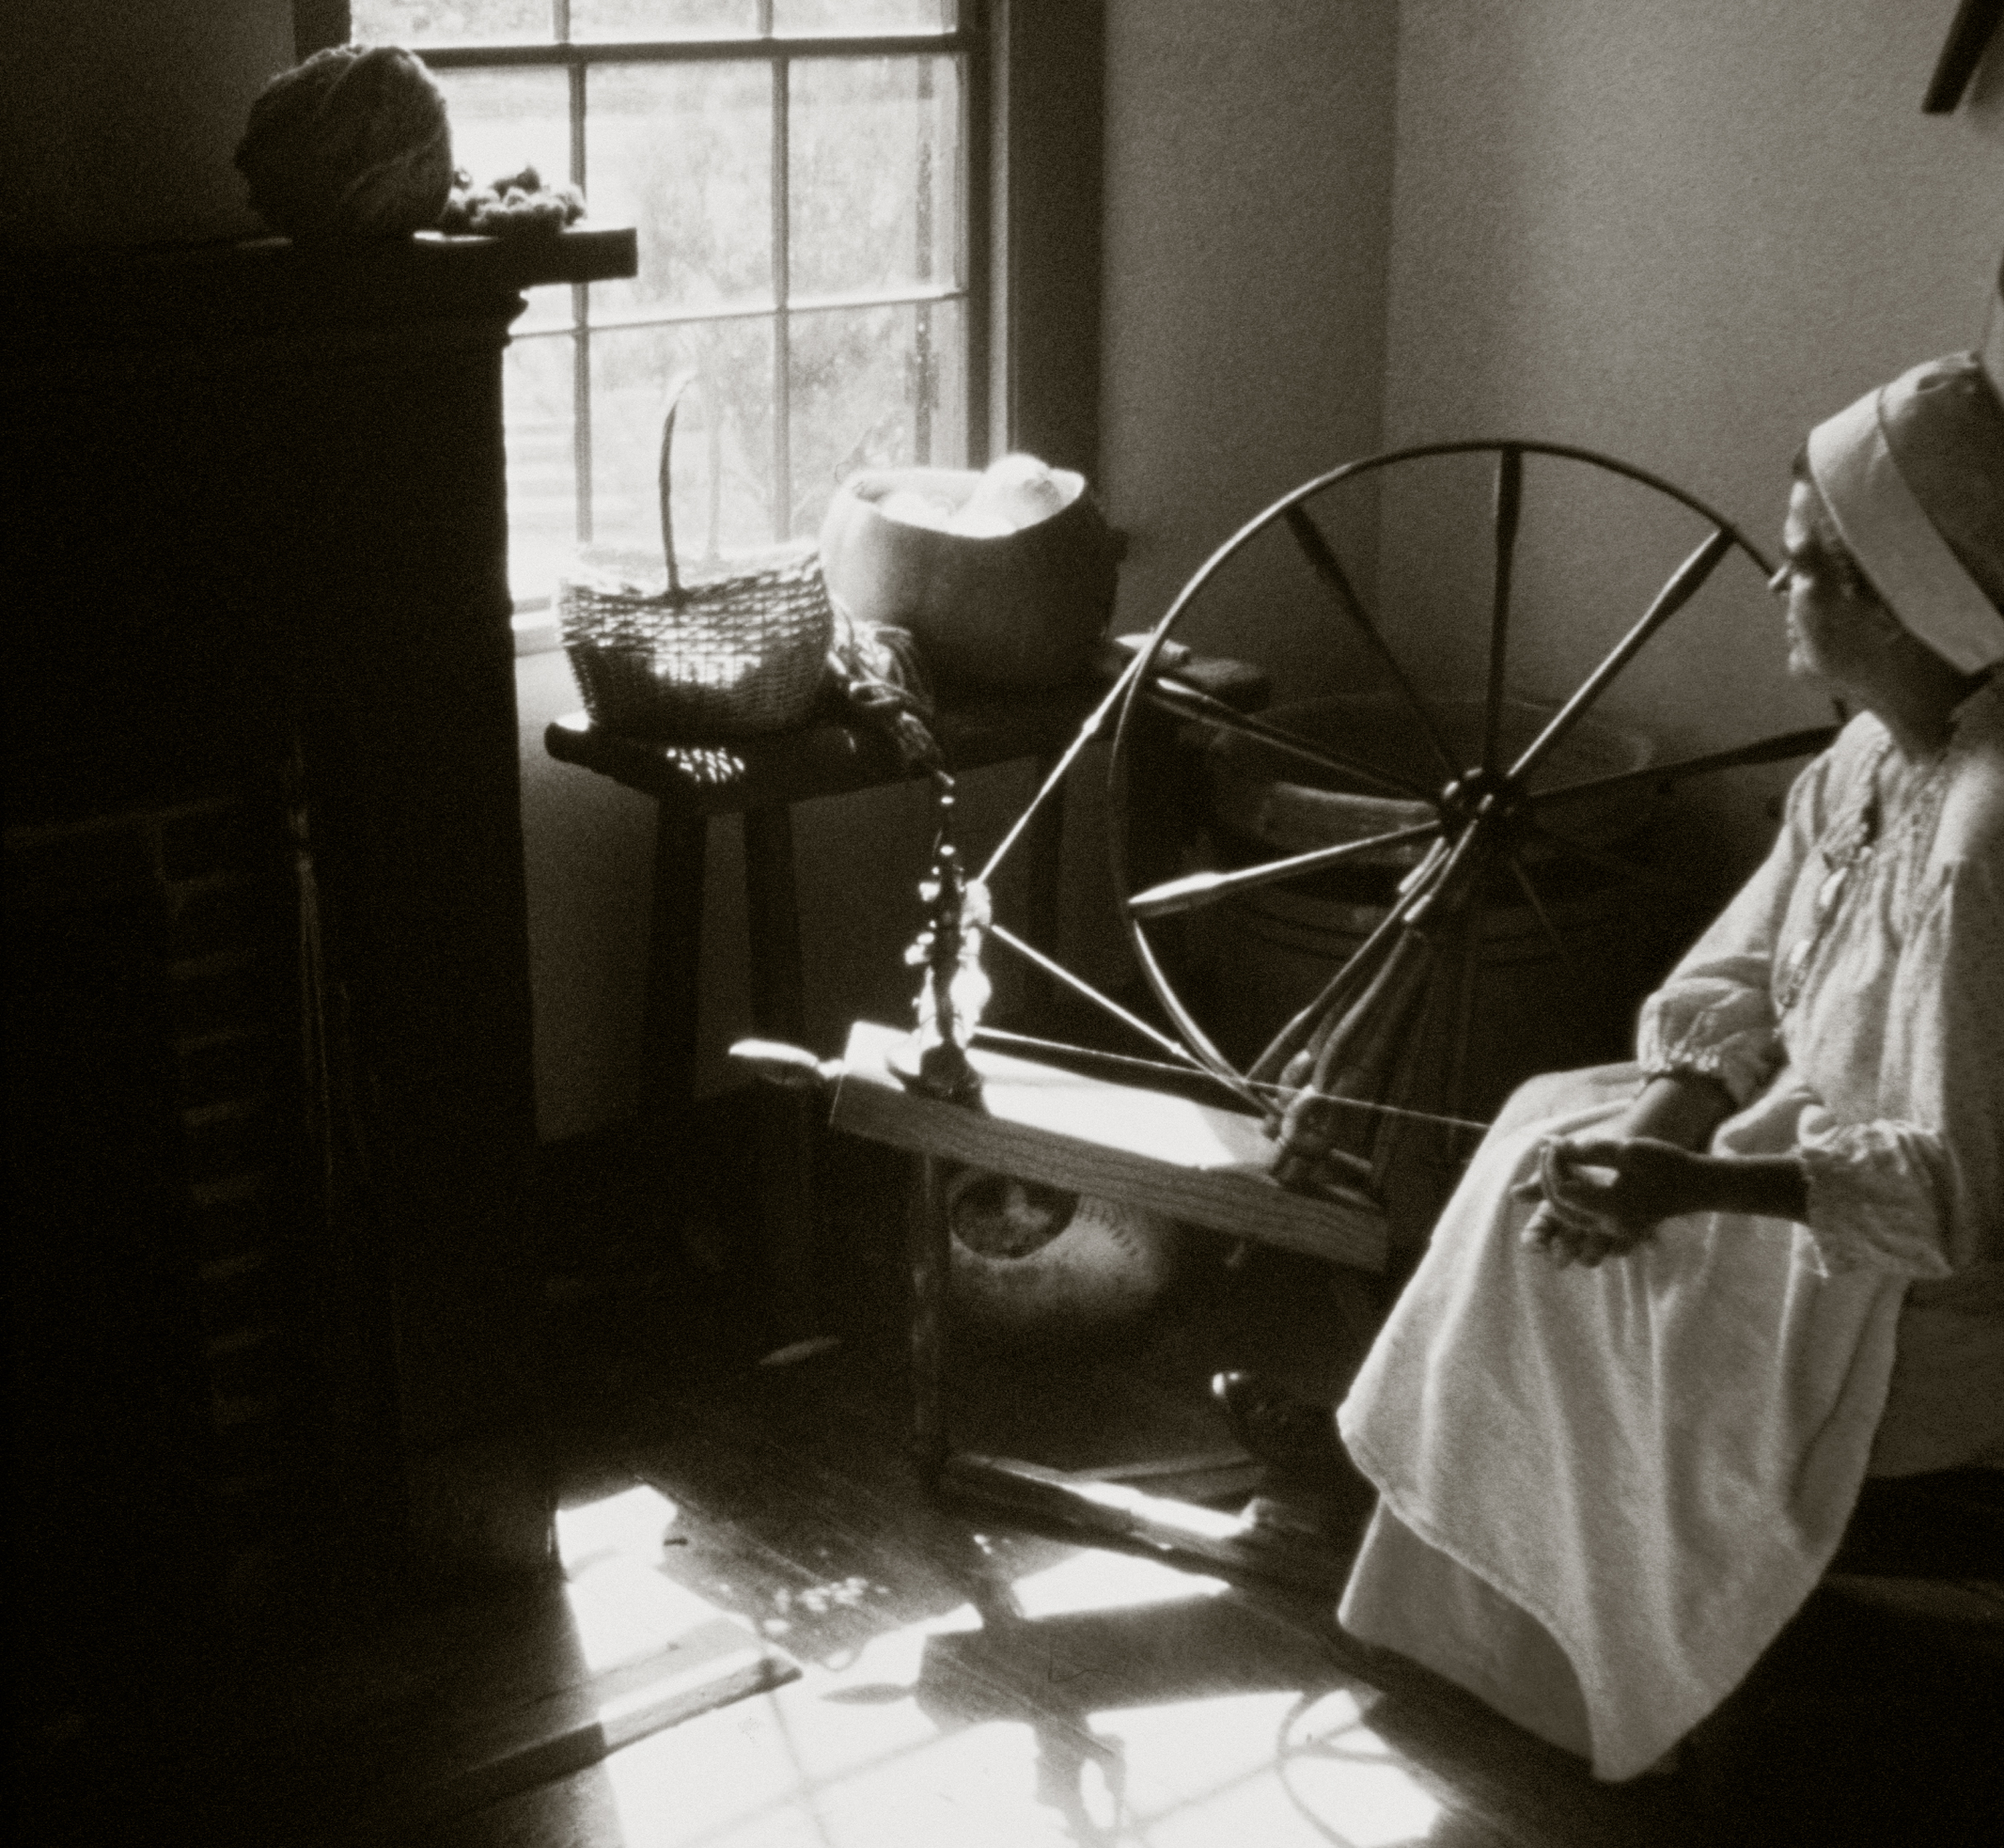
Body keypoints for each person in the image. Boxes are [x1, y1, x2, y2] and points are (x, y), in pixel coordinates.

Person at [1222, 299, 2004, 1782]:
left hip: (1912, 1300)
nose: (1780, 580)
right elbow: (1752, 968)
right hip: (1797, 1161)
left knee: (1603, 1260)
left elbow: (1962, 1202)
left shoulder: (1985, 833)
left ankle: (1537, 1611)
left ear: (1903, 603)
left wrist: (1693, 1189)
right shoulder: (1870, 753)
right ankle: (1417, 1500)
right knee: (1543, 1124)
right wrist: (1662, 1122)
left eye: (1812, 562)